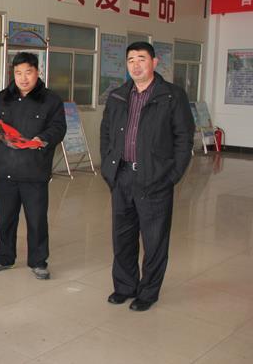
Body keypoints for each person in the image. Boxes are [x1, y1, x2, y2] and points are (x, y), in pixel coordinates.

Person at [100, 41, 194, 312]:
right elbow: (106, 133)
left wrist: (171, 175)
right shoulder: (118, 95)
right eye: (131, 60)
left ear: (154, 62)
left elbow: (184, 138)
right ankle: (124, 286)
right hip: (122, 177)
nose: (136, 65)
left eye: (142, 59)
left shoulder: (172, 96)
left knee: (154, 241)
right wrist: (109, 167)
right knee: (123, 237)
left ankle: (148, 291)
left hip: (155, 179)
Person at [0, 52, 66, 279]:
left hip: (35, 171)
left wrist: (43, 138)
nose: (23, 78)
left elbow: (59, 128)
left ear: (38, 72)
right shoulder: (3, 98)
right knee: (5, 219)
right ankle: (4, 257)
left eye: (28, 72)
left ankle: (38, 262)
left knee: (36, 220)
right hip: (7, 170)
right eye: (18, 73)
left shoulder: (51, 100)